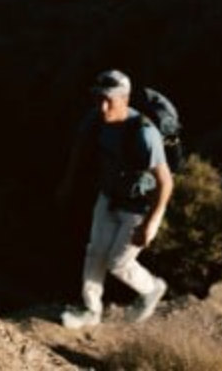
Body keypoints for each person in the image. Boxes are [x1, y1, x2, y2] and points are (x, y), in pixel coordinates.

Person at [57, 69, 173, 327]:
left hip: (138, 207)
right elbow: (79, 145)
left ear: (125, 99)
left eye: (109, 99)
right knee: (95, 253)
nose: (103, 105)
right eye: (99, 98)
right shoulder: (96, 120)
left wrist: (151, 224)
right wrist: (68, 181)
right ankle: (90, 309)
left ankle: (152, 288)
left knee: (118, 263)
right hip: (108, 197)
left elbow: (165, 183)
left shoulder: (145, 134)